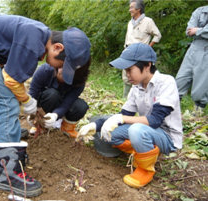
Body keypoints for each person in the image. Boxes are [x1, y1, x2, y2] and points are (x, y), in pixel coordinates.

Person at [0, 15, 91, 197]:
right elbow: (11, 80)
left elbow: (12, 78)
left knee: (8, 103)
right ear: (57, 47)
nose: (58, 68)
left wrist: (25, 102)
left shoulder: (38, 36)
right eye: (61, 64)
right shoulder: (33, 40)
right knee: (7, 105)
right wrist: (28, 101)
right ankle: (8, 173)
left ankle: (11, 142)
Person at [78, 43, 183, 188]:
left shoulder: (166, 82)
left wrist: (121, 119)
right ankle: (142, 150)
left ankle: (145, 170)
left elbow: (154, 120)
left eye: (129, 70)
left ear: (147, 65)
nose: (127, 75)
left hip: (167, 136)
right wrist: (96, 125)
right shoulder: (136, 87)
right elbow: (124, 115)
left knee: (136, 130)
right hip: (147, 130)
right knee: (108, 133)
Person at [29, 53, 90, 138]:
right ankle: (40, 124)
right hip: (45, 101)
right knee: (52, 94)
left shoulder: (79, 82)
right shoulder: (45, 70)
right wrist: (31, 112)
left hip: (62, 103)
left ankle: (67, 128)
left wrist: (55, 115)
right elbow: (33, 93)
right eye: (63, 72)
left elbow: (67, 103)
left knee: (80, 106)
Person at [122, 0, 161, 98]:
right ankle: (125, 99)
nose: (129, 10)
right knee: (126, 77)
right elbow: (127, 38)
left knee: (138, 77)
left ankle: (142, 98)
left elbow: (158, 35)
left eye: (131, 7)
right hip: (128, 52)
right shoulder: (130, 23)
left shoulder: (148, 21)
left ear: (138, 9)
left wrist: (148, 47)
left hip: (139, 54)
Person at [175, 6, 208, 116]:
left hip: (206, 51)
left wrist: (198, 31)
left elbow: (196, 30)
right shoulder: (199, 10)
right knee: (180, 80)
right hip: (193, 49)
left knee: (201, 86)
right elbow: (189, 30)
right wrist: (201, 31)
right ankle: (171, 111)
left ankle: (197, 115)